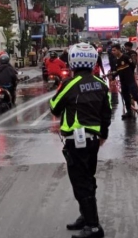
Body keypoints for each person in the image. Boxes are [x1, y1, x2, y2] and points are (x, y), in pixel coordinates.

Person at [50, 43, 111, 238]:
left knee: (80, 182)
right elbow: (106, 113)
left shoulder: (69, 84)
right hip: (93, 141)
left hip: (77, 141)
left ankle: (93, 226)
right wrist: (103, 135)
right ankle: (86, 217)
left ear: (73, 61)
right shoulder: (101, 84)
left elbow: (54, 108)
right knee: (88, 178)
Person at [110, 43, 138, 119]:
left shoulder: (125, 57)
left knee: (135, 96)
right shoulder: (115, 60)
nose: (113, 52)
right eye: (112, 50)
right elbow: (117, 71)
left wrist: (129, 74)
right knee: (126, 97)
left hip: (130, 81)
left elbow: (133, 65)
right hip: (123, 82)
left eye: (114, 50)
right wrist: (113, 78)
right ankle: (129, 112)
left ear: (119, 50)